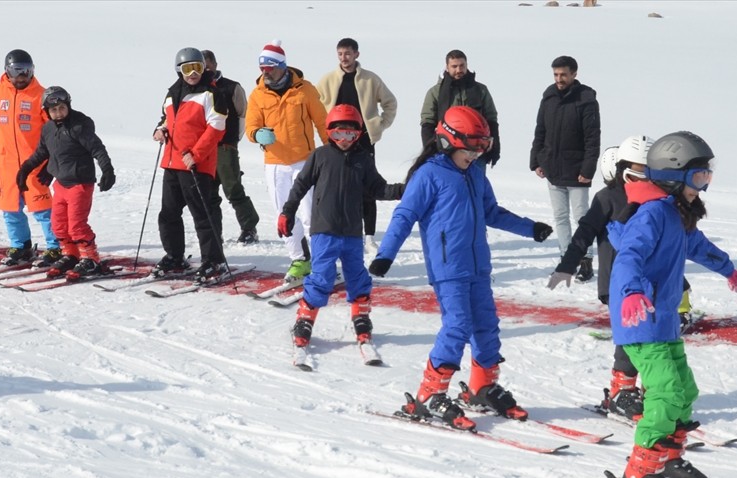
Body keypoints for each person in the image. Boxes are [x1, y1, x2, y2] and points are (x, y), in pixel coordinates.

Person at [370, 106, 553, 430]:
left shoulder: (475, 172)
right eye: (470, 149)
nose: (475, 155)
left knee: (486, 325)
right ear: (448, 142)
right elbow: (404, 216)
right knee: (457, 327)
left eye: (480, 149)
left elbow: (492, 212)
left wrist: (530, 228)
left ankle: (482, 387)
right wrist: (386, 255)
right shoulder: (429, 174)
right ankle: (430, 394)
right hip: (448, 267)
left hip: (478, 265)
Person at [605, 131, 737, 478]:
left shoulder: (676, 213)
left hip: (663, 320)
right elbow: (630, 254)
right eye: (699, 178)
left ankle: (667, 460)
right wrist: (632, 291)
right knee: (664, 392)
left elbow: (696, 245)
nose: (704, 186)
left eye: (707, 178)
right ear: (673, 176)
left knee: (683, 389)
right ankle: (637, 475)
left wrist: (725, 266)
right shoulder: (654, 213)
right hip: (640, 317)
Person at [279, 105, 403, 351]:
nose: (344, 140)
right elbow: (301, 184)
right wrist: (288, 211)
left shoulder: (363, 160)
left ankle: (361, 317)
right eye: (338, 135)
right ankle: (304, 320)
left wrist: (406, 189)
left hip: (352, 234)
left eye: (350, 135)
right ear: (329, 133)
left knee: (357, 275)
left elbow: (379, 189)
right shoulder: (320, 155)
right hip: (324, 230)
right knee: (322, 277)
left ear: (358, 135)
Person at [547, 135, 654, 421]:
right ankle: (622, 393)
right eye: (637, 168)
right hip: (617, 283)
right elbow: (584, 233)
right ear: (622, 168)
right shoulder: (608, 198)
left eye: (648, 168)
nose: (643, 174)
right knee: (630, 338)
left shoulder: (655, 198)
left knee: (651, 339)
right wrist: (568, 265)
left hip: (648, 283)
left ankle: (649, 390)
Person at [245, 39, 329, 281]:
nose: (266, 72)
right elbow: (251, 126)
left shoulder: (305, 90)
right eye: (262, 69)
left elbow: (322, 123)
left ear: (282, 65)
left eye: (270, 67)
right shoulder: (258, 94)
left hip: (305, 161)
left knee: (311, 215)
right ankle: (300, 260)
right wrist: (256, 134)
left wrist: (333, 152)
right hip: (275, 162)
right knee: (284, 214)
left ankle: (323, 262)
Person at [0, 49, 61, 265]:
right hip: (7, 163)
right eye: (17, 70)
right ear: (7, 71)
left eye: (27, 71)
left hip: (35, 162)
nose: (22, 76)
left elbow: (54, 130)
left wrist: (53, 160)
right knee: (10, 207)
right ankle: (21, 246)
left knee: (42, 208)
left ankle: (55, 247)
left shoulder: (41, 95)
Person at [15, 87, 115, 279]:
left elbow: (97, 149)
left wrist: (107, 170)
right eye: (53, 110)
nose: (58, 113)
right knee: (58, 224)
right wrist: (24, 170)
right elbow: (41, 153)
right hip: (60, 183)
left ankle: (91, 259)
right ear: (47, 112)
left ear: (68, 105)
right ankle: (71, 255)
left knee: (76, 225)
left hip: (80, 183)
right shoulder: (48, 129)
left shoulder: (79, 126)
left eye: (61, 108)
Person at [151, 47, 227, 281]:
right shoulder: (172, 93)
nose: (193, 73)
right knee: (168, 213)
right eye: (187, 68)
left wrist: (196, 154)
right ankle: (175, 256)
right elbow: (167, 119)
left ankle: (213, 261)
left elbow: (217, 128)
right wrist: (160, 130)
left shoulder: (211, 94)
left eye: (197, 67)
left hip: (196, 165)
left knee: (203, 214)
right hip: (172, 162)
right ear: (179, 70)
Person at [315, 37, 398, 250]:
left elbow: (390, 102)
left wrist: (379, 125)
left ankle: (369, 236)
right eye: (341, 54)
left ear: (357, 55)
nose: (344, 58)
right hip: (335, 142)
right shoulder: (328, 79)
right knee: (336, 185)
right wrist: (323, 129)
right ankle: (338, 230)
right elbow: (314, 105)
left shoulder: (370, 79)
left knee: (368, 187)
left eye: (348, 53)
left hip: (363, 141)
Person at [529, 56, 601, 265]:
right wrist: (536, 161)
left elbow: (592, 138)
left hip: (577, 170)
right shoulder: (549, 97)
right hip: (553, 168)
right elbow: (540, 131)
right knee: (560, 217)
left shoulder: (586, 99)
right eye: (556, 74)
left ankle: (585, 259)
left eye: (563, 74)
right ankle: (566, 258)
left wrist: (588, 169)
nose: (559, 79)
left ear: (574, 74)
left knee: (582, 219)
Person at [201, 50, 260, 245]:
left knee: (232, 188)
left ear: (215, 64)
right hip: (203, 148)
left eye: (208, 65)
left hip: (225, 145)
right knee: (207, 192)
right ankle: (212, 230)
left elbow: (243, 114)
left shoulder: (232, 87)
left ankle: (249, 227)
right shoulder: (196, 89)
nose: (205, 70)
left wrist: (234, 141)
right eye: (202, 67)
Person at [419, 50, 500, 167]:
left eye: (462, 66)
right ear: (447, 67)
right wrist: (430, 149)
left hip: (475, 152)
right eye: (454, 66)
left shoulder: (481, 90)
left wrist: (495, 147)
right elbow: (427, 122)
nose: (459, 70)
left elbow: (491, 119)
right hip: (447, 151)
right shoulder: (435, 92)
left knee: (475, 184)